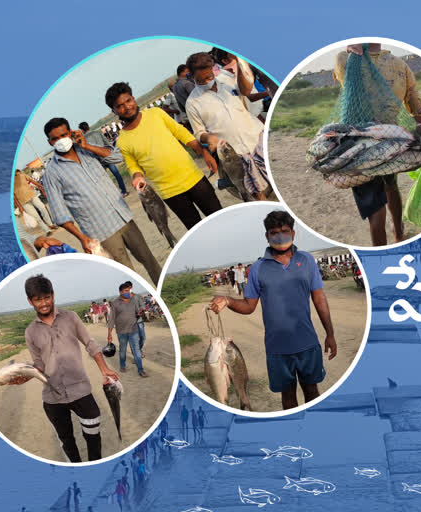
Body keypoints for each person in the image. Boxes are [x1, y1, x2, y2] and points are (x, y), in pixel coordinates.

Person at [210, 211, 337, 409]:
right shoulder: (258, 268)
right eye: (274, 232)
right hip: (277, 349)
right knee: (288, 398)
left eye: (285, 231)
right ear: (267, 236)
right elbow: (249, 306)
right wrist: (227, 300)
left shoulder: (307, 261)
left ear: (293, 234)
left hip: (307, 344)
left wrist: (330, 334)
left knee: (312, 392)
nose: (280, 236)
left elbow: (319, 298)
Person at [333, 43, 421, 246]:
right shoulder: (401, 66)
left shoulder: (345, 59)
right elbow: (418, 111)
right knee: (391, 185)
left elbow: (340, 80)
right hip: (391, 140)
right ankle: (399, 232)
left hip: (357, 145)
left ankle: (383, 247)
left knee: (374, 208)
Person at [41, 118, 162, 283]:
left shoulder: (87, 150)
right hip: (101, 231)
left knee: (149, 260)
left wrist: (86, 145)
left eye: (64, 135)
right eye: (55, 138)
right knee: (128, 275)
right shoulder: (51, 173)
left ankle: (168, 293)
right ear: (50, 142)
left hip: (123, 217)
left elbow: (118, 157)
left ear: (71, 133)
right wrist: (82, 238)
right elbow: (59, 214)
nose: (61, 140)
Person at [23, 274, 118, 462]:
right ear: (30, 301)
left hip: (80, 391)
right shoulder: (30, 332)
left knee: (93, 437)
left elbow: (90, 344)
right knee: (67, 442)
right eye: (38, 299)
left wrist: (104, 369)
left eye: (46, 297)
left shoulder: (70, 317)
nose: (43, 303)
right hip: (52, 397)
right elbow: (39, 365)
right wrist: (25, 374)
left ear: (53, 295)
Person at [105, 82, 221, 229]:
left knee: (218, 218)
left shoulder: (156, 114)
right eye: (120, 106)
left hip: (194, 178)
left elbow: (181, 133)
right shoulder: (122, 141)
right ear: (114, 111)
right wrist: (137, 176)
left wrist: (204, 152)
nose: (127, 107)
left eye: (128, 100)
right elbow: (133, 166)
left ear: (133, 99)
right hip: (170, 192)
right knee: (197, 230)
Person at [184, 52, 269, 201]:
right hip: (236, 152)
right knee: (256, 192)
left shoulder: (229, 81)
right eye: (200, 80)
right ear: (192, 76)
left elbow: (247, 91)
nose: (206, 82)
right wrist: (208, 137)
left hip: (257, 138)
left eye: (209, 77)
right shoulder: (192, 103)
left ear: (213, 70)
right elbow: (198, 132)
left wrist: (240, 60)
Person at [107, 281, 148, 377]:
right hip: (121, 332)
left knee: (137, 351)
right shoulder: (115, 303)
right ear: (120, 292)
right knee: (122, 350)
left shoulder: (133, 300)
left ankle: (141, 370)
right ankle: (122, 365)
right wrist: (109, 334)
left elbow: (138, 312)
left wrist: (139, 313)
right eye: (126, 291)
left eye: (129, 290)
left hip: (133, 330)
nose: (128, 292)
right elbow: (112, 319)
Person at [78, 121, 128, 196]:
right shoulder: (97, 133)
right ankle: (124, 191)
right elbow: (107, 143)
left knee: (104, 179)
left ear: (82, 130)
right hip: (106, 156)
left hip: (97, 160)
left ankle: (112, 195)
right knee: (116, 174)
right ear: (88, 126)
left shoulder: (84, 139)